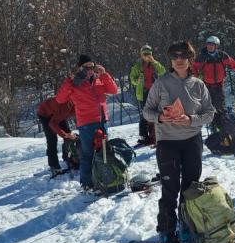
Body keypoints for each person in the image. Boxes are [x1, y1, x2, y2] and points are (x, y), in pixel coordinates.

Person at [142, 41, 215, 243]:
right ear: (171, 61)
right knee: (170, 188)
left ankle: (186, 225)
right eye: (175, 57)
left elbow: (209, 113)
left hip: (192, 141)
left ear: (190, 59)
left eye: (183, 56)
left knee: (191, 187)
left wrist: (191, 119)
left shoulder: (198, 85)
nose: (179, 60)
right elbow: (147, 111)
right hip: (167, 143)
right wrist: (160, 117)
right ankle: (166, 232)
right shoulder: (161, 83)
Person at [55, 54, 119, 191]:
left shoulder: (98, 79)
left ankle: (105, 179)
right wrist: (69, 81)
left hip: (102, 121)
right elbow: (60, 99)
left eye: (92, 66)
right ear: (80, 68)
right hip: (86, 123)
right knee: (87, 154)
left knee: (104, 151)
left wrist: (105, 75)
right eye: (86, 67)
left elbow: (114, 90)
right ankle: (87, 185)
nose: (90, 70)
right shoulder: (74, 83)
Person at [192, 36, 235, 132]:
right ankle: (212, 125)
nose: (210, 46)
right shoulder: (202, 57)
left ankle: (221, 125)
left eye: (212, 45)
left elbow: (233, 64)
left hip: (219, 85)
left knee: (220, 107)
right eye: (208, 44)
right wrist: (195, 78)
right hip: (206, 86)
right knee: (209, 107)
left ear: (216, 46)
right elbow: (194, 67)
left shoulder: (222, 56)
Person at [129, 45, 166, 145]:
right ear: (141, 55)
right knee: (145, 114)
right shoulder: (137, 66)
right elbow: (132, 79)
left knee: (157, 113)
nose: (147, 56)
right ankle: (144, 136)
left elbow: (162, 71)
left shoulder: (154, 64)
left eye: (149, 54)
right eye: (145, 54)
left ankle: (156, 135)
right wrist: (137, 80)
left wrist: (154, 62)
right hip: (143, 93)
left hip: (155, 92)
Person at [36, 97, 76, 175]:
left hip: (58, 112)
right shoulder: (66, 106)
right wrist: (65, 135)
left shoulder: (77, 104)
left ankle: (67, 158)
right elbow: (52, 124)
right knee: (52, 140)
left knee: (68, 134)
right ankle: (54, 166)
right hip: (45, 113)